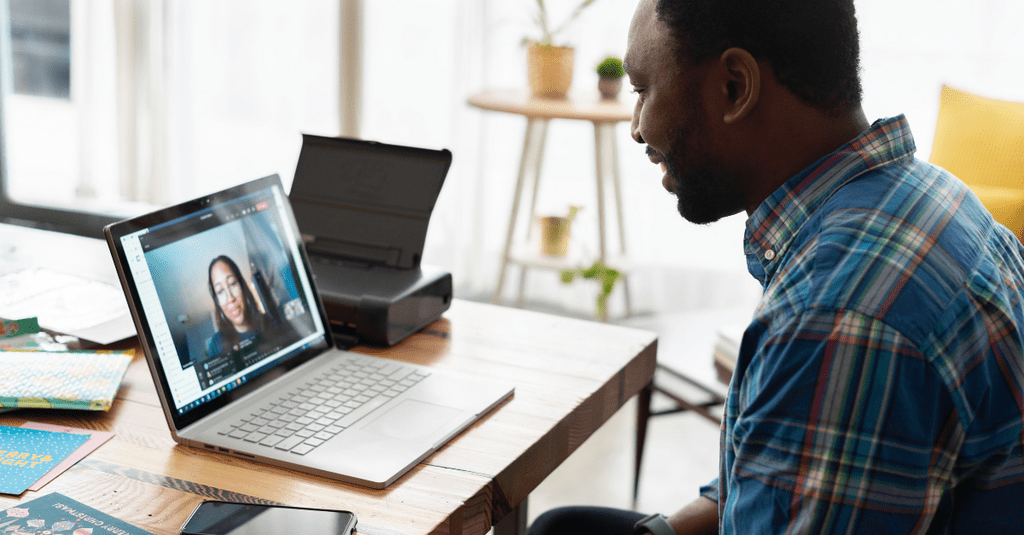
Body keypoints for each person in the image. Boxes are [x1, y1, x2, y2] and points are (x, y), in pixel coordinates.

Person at [528, 0, 1024, 534]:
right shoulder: (931, 196)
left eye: (644, 90)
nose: (637, 128)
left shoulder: (836, 316)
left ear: (735, 87)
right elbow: (797, 467)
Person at [207, 255, 267, 356]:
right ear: (217, 302)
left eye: (232, 283)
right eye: (220, 291)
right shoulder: (216, 345)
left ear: (242, 286)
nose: (230, 298)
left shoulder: (270, 321)